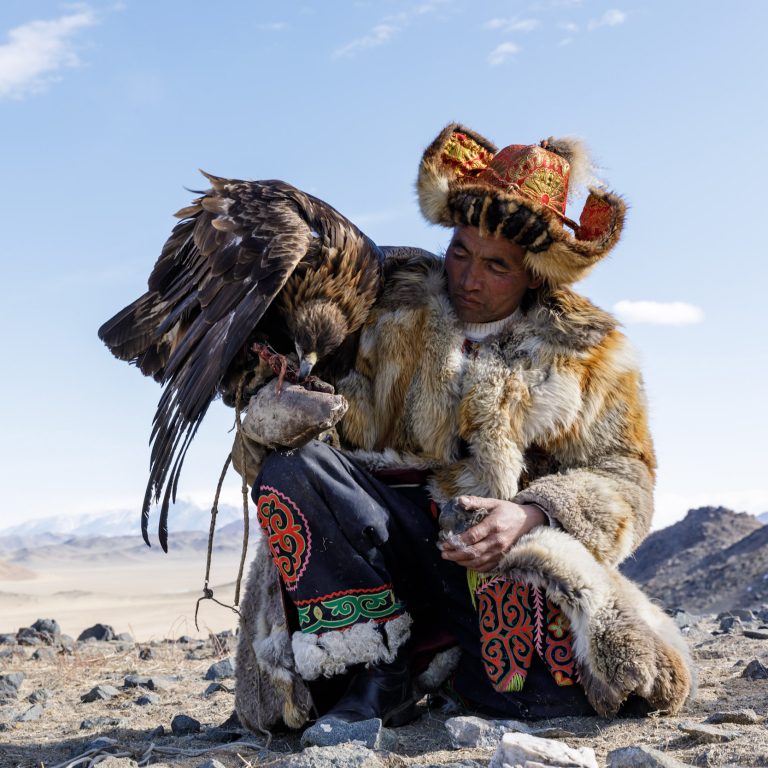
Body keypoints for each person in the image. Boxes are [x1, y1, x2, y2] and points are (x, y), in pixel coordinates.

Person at [230, 124, 694, 733]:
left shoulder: (590, 353)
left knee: (539, 701)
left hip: (491, 556)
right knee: (293, 470)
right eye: (459, 252)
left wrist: (533, 514)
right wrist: (272, 415)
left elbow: (628, 481)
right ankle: (376, 672)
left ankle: (462, 672)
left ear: (535, 273)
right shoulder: (384, 303)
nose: (468, 279)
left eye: (496, 265)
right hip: (374, 546)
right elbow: (287, 415)